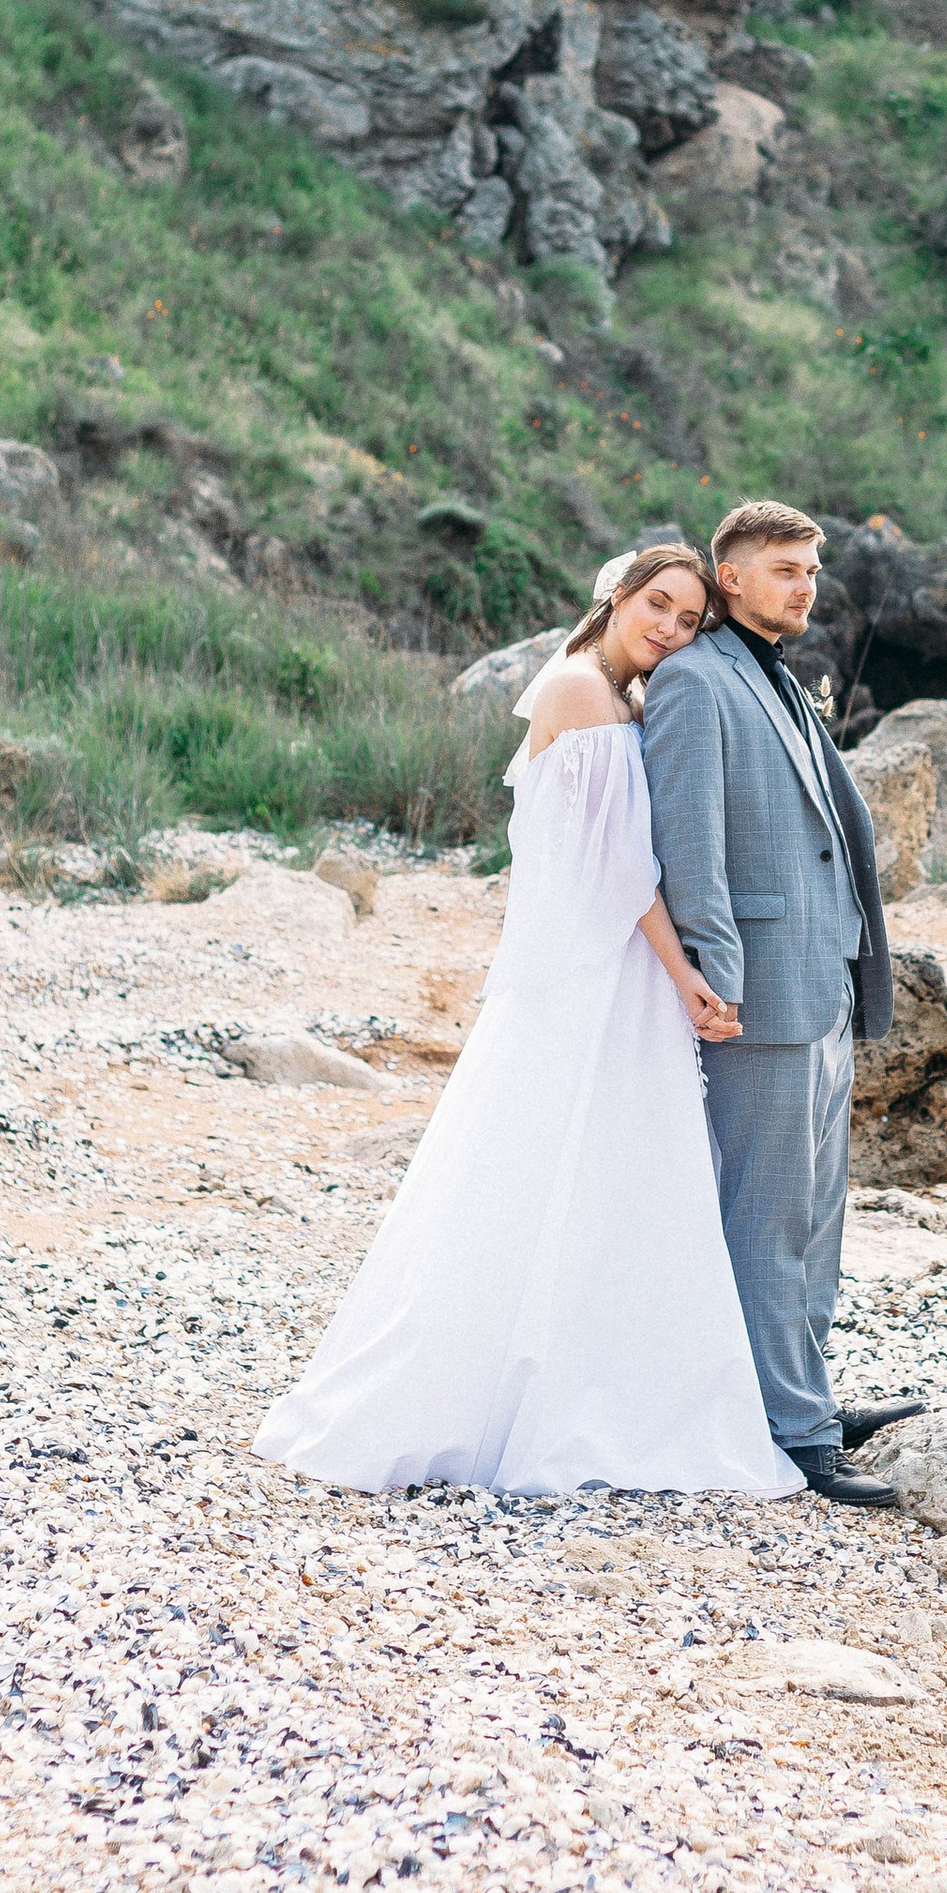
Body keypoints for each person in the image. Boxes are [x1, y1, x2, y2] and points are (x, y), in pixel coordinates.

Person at [252, 545, 803, 1501]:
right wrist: (686, 979)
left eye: (688, 620)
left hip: (593, 966)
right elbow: (621, 871)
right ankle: (541, 1402)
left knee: (589, 1174)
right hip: (600, 976)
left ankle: (584, 1379)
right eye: (659, 606)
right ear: (618, 596)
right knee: (579, 1166)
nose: (671, 629)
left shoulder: (602, 688)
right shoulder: (586, 694)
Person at [640, 501, 922, 1507]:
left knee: (811, 1213)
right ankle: (789, 1432)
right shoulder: (691, 682)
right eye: (786, 570)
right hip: (755, 990)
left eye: (811, 571)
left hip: (820, 983)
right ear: (729, 575)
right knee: (763, 1216)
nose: (805, 587)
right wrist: (716, 976)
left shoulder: (776, 674)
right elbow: (689, 844)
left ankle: (801, 1394)